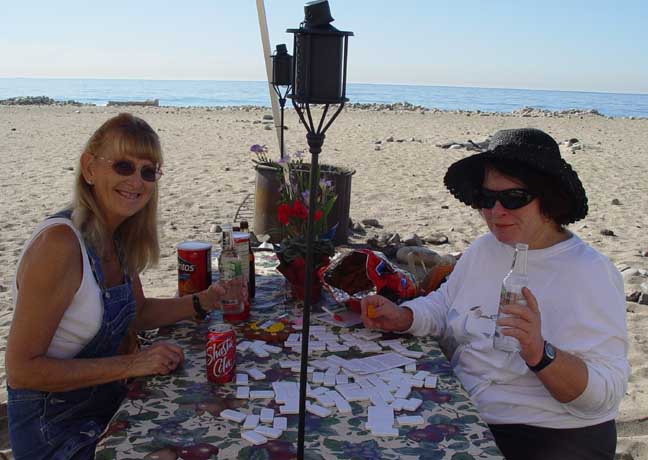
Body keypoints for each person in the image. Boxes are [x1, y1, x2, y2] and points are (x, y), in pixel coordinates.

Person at [361, 128, 629, 460]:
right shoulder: (486, 249)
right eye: (486, 199)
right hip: (468, 408)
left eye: (512, 199)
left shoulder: (590, 272)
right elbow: (446, 304)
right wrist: (405, 316)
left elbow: (605, 394)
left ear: (549, 198)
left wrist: (540, 353)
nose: (495, 212)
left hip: (549, 433)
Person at [6, 113, 240, 460]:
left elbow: (139, 312)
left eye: (148, 171)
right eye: (123, 166)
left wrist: (204, 300)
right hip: (55, 431)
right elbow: (22, 370)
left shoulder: (116, 237)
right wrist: (133, 364)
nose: (136, 181)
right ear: (89, 168)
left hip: (107, 407)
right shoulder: (60, 244)